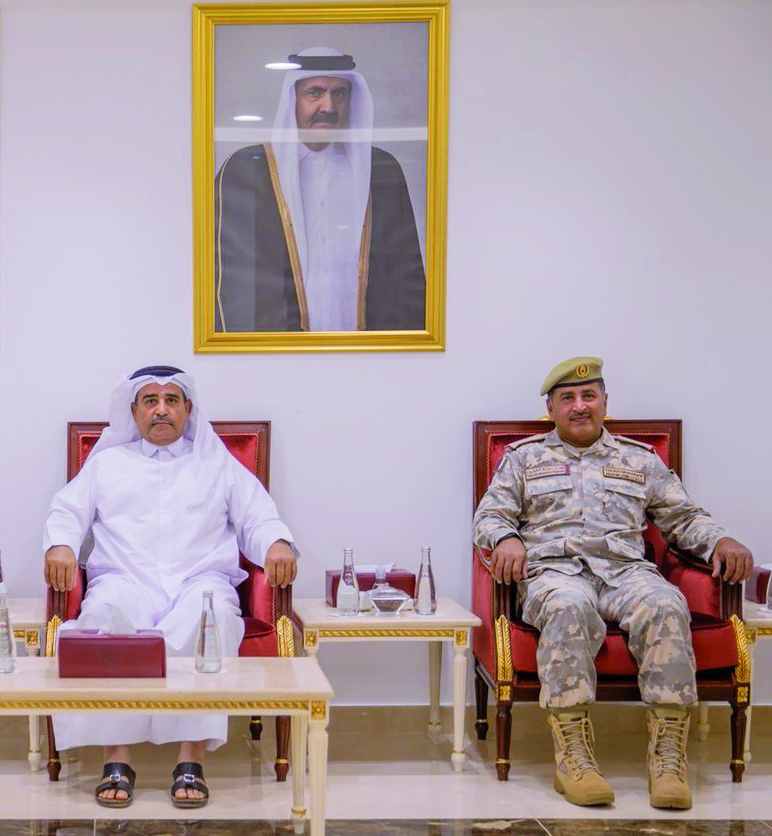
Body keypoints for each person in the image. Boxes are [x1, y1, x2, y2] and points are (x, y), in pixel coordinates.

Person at [472, 356, 753, 810]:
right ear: (551, 408)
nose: (579, 406)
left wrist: (721, 539)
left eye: (589, 396)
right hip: (554, 573)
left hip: (625, 571)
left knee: (665, 603)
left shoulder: (639, 459)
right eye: (568, 398)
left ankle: (666, 759)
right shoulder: (523, 459)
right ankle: (574, 758)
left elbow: (682, 518)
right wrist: (506, 537)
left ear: (605, 402)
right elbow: (490, 515)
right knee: (566, 606)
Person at [43, 365, 298, 809]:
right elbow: (66, 513)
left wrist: (276, 543)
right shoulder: (106, 463)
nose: (161, 411)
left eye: (171, 401)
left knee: (211, 620)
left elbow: (258, 516)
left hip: (200, 583)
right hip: (124, 581)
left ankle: (190, 758)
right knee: (105, 618)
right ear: (134, 412)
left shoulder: (217, 463)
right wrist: (61, 547)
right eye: (150, 401)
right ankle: (115, 758)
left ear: (188, 410)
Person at [214, 47, 426, 333]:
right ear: (293, 100)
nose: (328, 106)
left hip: (367, 355)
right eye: (314, 93)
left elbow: (405, 278)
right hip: (276, 357)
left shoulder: (381, 169)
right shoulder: (246, 170)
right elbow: (229, 280)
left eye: (339, 94)